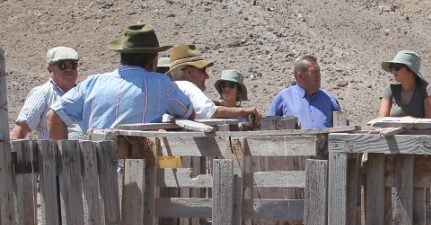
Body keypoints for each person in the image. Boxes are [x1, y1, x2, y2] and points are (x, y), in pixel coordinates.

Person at [48, 24, 194, 139]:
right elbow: (188, 113)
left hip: (95, 169)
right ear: (152, 61)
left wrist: (64, 161)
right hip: (138, 169)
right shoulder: (160, 83)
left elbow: (54, 114)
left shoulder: (93, 82)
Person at [168, 44, 260, 121]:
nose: (207, 76)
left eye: (231, 85)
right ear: (189, 72)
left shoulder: (170, 87)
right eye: (203, 70)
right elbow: (212, 112)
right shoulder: (187, 86)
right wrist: (247, 111)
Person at [11, 47, 83, 140]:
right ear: (50, 69)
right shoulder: (43, 93)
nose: (69, 69)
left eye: (73, 65)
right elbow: (19, 131)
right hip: (56, 153)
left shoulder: (83, 94)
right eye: (63, 65)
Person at [267, 55, 341, 129]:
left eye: (319, 71)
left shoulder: (329, 99)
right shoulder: (283, 98)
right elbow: (269, 128)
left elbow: (341, 129)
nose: (318, 76)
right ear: (300, 76)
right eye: (314, 72)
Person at [378, 50, 431, 118]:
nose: (393, 72)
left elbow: (430, 123)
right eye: (392, 67)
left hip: (418, 129)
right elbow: (382, 121)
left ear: (411, 71)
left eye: (397, 68)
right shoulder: (390, 90)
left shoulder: (426, 90)